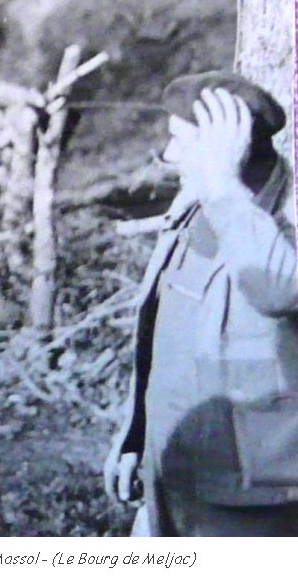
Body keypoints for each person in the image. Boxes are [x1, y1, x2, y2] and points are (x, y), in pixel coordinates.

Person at [103, 71, 298, 535]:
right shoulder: (195, 205)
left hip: (251, 498)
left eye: (183, 141)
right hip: (172, 470)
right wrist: (136, 438)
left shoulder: (283, 214)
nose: (169, 156)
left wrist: (224, 186)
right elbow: (164, 332)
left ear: (232, 150)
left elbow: (276, 289)